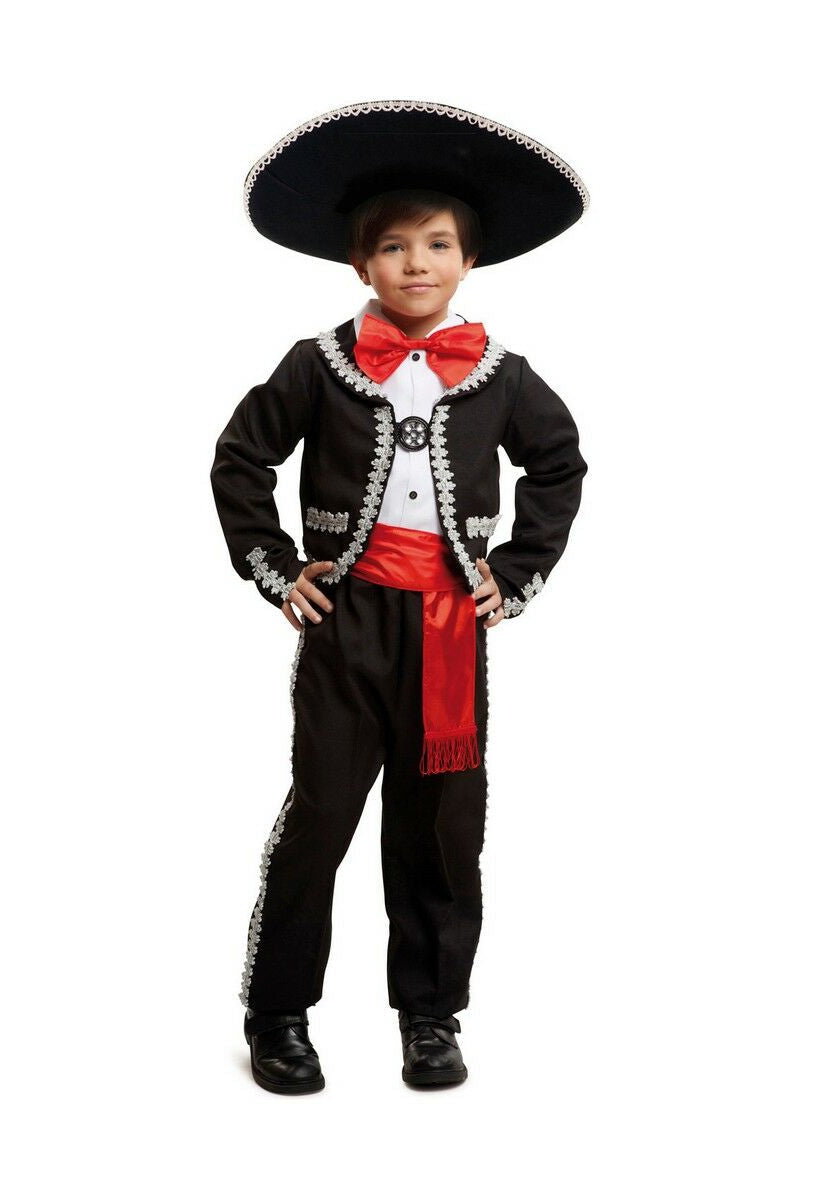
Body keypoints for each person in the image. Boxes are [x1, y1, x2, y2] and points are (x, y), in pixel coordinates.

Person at [211, 100, 589, 1093]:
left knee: (441, 827)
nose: (416, 262)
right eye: (393, 246)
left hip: (450, 626)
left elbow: (559, 466)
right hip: (348, 625)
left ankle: (430, 1015)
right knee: (321, 817)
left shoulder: (505, 376)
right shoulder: (318, 363)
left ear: (469, 259)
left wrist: (515, 573)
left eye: (437, 244)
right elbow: (241, 457)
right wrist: (275, 565)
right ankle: (278, 1012)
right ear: (360, 265)